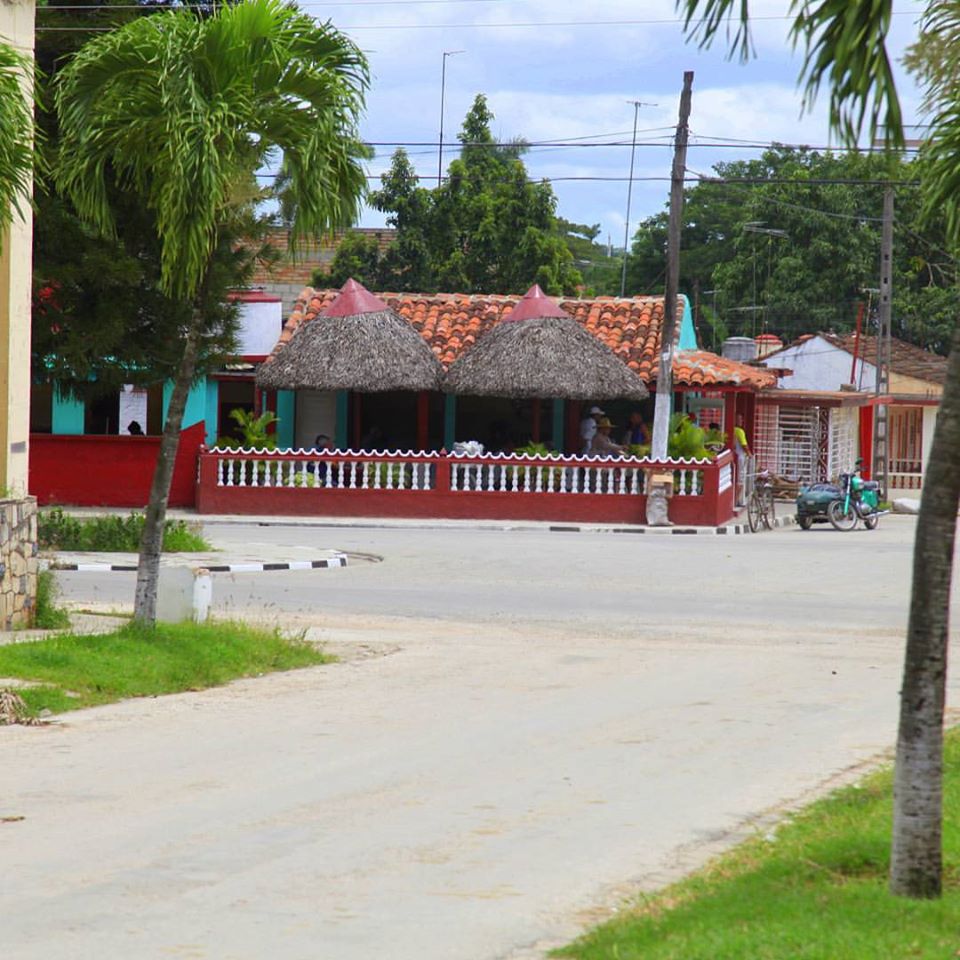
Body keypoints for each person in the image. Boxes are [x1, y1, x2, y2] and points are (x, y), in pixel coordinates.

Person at [733, 414, 752, 506]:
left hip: (734, 457)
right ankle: (735, 501)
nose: (741, 421)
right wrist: (749, 454)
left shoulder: (730, 430)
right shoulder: (739, 431)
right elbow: (744, 445)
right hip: (741, 457)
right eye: (739, 419)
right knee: (741, 479)